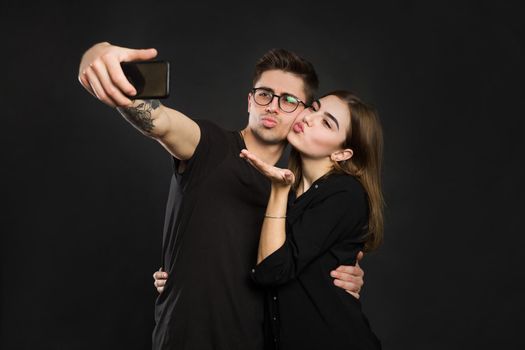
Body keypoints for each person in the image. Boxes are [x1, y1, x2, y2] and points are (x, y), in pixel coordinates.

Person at [78, 42, 366, 350]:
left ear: (303, 114)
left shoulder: (292, 197)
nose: (272, 106)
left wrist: (347, 276)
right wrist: (97, 57)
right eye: (264, 94)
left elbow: (303, 270)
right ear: (249, 101)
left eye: (289, 100)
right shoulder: (211, 146)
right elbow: (159, 122)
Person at [240, 91, 383, 349]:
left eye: (327, 123)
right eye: (314, 108)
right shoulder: (291, 195)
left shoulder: (344, 193)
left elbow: (271, 270)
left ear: (342, 154)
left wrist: (278, 190)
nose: (309, 118)